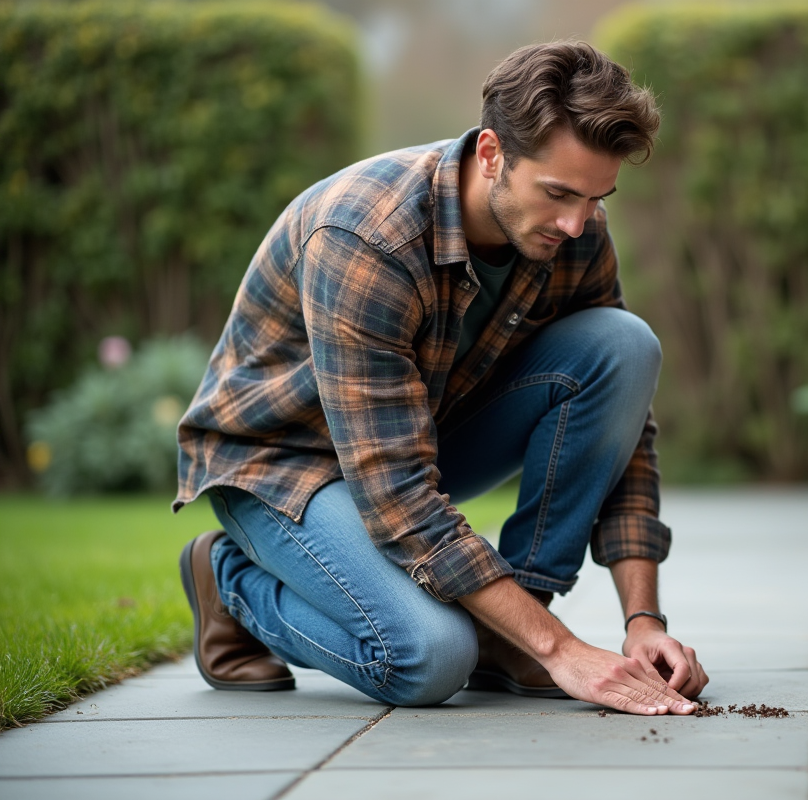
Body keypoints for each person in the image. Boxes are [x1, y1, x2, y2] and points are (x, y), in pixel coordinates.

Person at [174, 41, 707, 716]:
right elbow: (397, 495)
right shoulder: (365, 237)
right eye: (559, 193)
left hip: (415, 436)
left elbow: (624, 428)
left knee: (624, 347)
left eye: (597, 197)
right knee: (429, 656)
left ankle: (512, 624)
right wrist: (562, 650)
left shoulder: (573, 230)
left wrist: (644, 623)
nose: (577, 223)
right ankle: (232, 584)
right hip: (284, 467)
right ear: (491, 154)